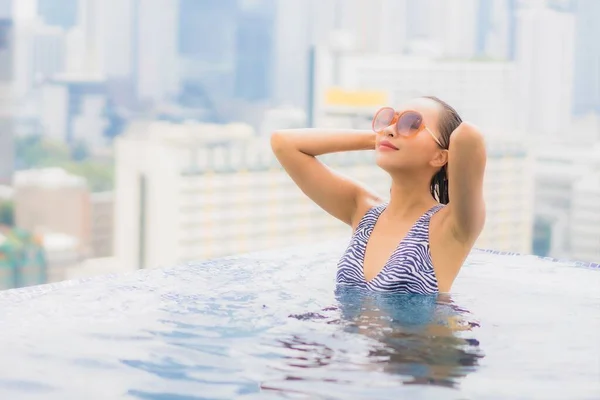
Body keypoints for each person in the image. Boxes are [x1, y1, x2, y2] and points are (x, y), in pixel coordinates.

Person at [270, 96, 486, 294]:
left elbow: (468, 135)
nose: (391, 128)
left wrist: (394, 137)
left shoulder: (451, 226)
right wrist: (381, 137)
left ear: (440, 157)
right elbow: (284, 142)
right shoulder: (362, 209)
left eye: (411, 124)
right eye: (389, 120)